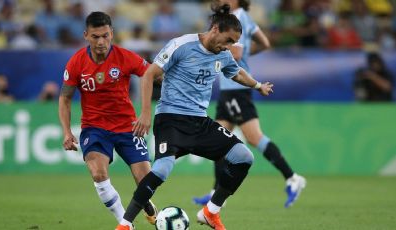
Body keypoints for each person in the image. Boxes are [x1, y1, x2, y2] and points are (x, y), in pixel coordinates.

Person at [115, 4, 274, 230]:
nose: (229, 46)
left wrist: (257, 85)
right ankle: (125, 224)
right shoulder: (182, 45)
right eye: (228, 40)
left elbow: (236, 72)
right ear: (216, 29)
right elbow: (149, 74)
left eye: (233, 42)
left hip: (200, 122)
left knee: (244, 157)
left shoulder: (224, 54)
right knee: (160, 171)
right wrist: (145, 114)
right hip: (171, 119)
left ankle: (211, 212)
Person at [193, 0, 306, 209]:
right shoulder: (243, 17)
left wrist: (222, 55)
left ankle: (293, 178)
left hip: (237, 88)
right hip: (230, 89)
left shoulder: (238, 19)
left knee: (254, 137)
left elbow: (235, 54)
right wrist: (242, 55)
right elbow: (264, 43)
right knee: (219, 141)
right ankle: (216, 192)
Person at [58, 11, 157, 226]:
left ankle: (147, 203)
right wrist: (66, 131)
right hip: (94, 128)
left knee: (145, 183)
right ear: (86, 35)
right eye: (95, 37)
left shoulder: (125, 57)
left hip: (127, 127)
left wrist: (146, 113)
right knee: (98, 174)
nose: (101, 41)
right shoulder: (76, 63)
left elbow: (151, 74)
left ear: (112, 33)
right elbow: (65, 98)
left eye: (105, 35)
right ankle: (125, 222)